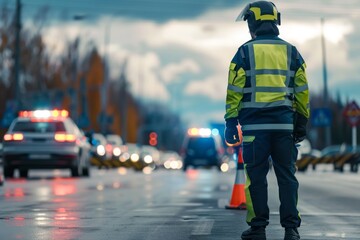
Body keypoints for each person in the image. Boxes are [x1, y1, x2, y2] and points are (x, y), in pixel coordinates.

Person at [224, 1, 310, 240]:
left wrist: (231, 122)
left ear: (253, 23)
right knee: (287, 178)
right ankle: (291, 229)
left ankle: (258, 227)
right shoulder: (292, 52)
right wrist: (301, 120)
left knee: (256, 180)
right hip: (284, 127)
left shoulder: (243, 52)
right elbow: (302, 90)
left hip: (254, 130)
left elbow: (234, 91)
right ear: (275, 22)